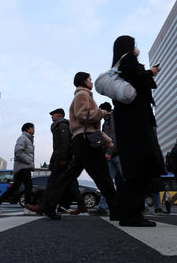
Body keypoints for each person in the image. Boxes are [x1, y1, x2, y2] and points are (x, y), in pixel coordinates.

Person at [26, 72, 119, 221]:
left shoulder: (83, 95)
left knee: (69, 176)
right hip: (86, 139)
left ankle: (47, 205)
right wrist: (101, 113)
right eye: (89, 79)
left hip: (83, 139)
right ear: (83, 81)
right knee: (102, 175)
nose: (91, 81)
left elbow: (90, 126)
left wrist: (107, 139)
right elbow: (83, 115)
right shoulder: (82, 94)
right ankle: (116, 209)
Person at [110, 35, 166, 227]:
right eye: (134, 45)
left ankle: (131, 212)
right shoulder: (127, 60)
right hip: (136, 121)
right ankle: (131, 214)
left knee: (137, 168)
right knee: (141, 165)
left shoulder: (119, 64)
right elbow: (137, 78)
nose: (137, 48)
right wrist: (151, 72)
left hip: (130, 121)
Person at [44, 108, 86, 215]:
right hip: (62, 158)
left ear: (59, 115)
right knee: (70, 182)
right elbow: (58, 146)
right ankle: (81, 205)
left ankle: (43, 205)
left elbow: (64, 143)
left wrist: (62, 158)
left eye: (53, 115)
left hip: (63, 159)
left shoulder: (62, 125)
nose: (52, 117)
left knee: (53, 183)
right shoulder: (60, 125)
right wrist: (52, 161)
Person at [0, 123, 36, 214]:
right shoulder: (23, 138)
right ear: (27, 129)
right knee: (28, 186)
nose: (34, 130)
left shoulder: (28, 140)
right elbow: (18, 151)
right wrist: (28, 160)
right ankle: (28, 208)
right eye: (32, 128)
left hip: (23, 166)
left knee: (15, 187)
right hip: (23, 167)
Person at [93, 102, 124, 216]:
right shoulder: (107, 121)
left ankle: (142, 204)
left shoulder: (112, 119)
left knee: (126, 179)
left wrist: (110, 152)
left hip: (116, 154)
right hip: (112, 154)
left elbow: (114, 136)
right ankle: (102, 206)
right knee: (108, 181)